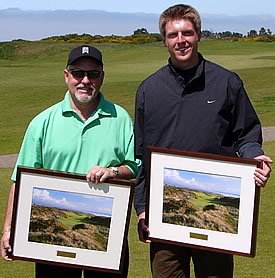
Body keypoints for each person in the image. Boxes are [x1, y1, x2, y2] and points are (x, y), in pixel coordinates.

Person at [134, 4, 272, 278]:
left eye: (187, 32)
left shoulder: (226, 83)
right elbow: (141, 156)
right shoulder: (149, 90)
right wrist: (141, 208)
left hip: (216, 212)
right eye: (173, 35)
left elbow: (246, 134)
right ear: (164, 40)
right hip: (164, 216)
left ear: (199, 35)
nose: (181, 40)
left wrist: (254, 156)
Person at [1, 44, 140, 278]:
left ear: (102, 78)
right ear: (67, 76)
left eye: (93, 74)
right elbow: (20, 180)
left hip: (108, 235)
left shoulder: (121, 118)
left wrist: (113, 171)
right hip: (53, 239)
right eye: (78, 73)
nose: (85, 80)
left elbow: (134, 167)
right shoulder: (42, 122)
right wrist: (9, 228)